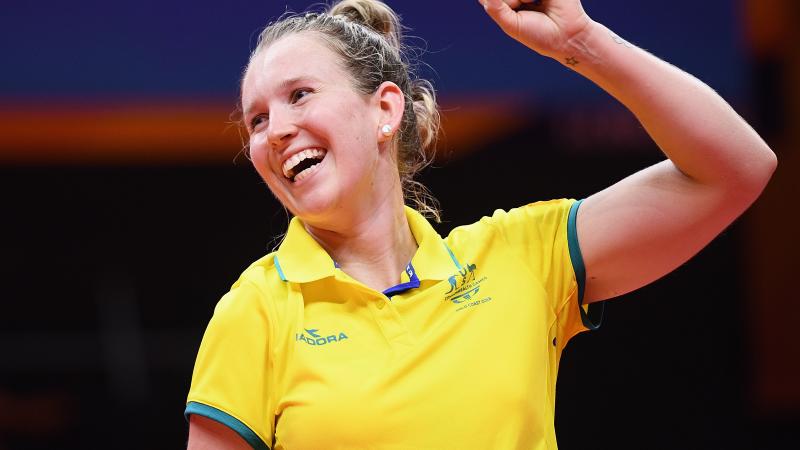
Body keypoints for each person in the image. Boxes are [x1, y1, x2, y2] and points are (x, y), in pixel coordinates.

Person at [184, 0, 777, 448]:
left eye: (300, 95)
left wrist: (582, 41)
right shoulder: (256, 311)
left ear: (385, 109)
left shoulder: (520, 258)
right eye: (256, 119)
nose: (276, 129)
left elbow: (736, 169)